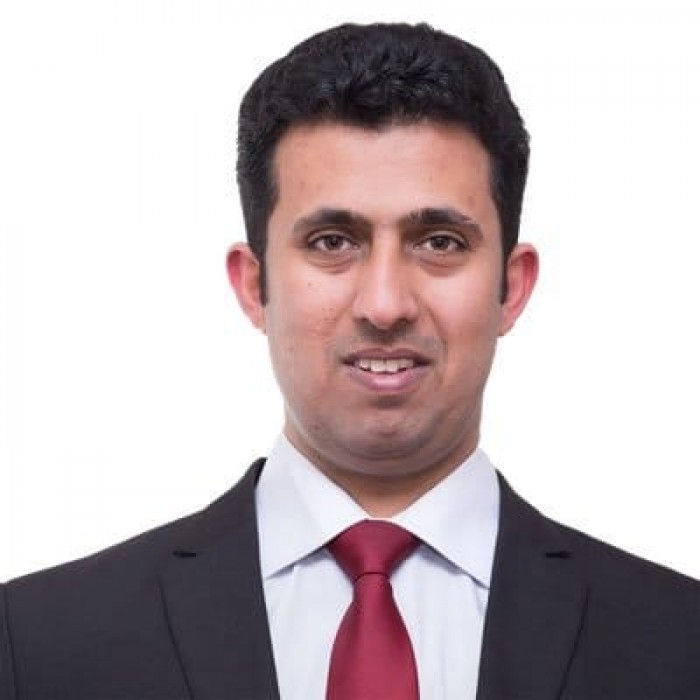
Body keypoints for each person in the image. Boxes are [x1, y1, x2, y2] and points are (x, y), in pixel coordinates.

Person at [1, 21, 698, 700]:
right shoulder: (39, 643)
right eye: (333, 241)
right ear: (254, 285)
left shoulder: (679, 640)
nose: (385, 304)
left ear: (511, 289)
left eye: (440, 242)